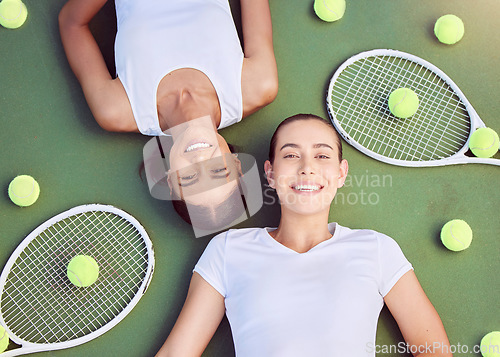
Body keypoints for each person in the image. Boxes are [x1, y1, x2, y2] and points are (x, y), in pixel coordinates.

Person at [155, 114, 453, 357]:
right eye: (291, 155)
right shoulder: (227, 250)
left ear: (340, 173)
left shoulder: (377, 249)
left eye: (322, 155)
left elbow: (433, 350)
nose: (307, 167)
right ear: (270, 173)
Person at [58, 0, 278, 230]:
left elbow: (71, 23)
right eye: (218, 170)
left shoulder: (117, 109)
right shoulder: (257, 86)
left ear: (170, 180)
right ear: (236, 164)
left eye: (189, 177)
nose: (201, 160)